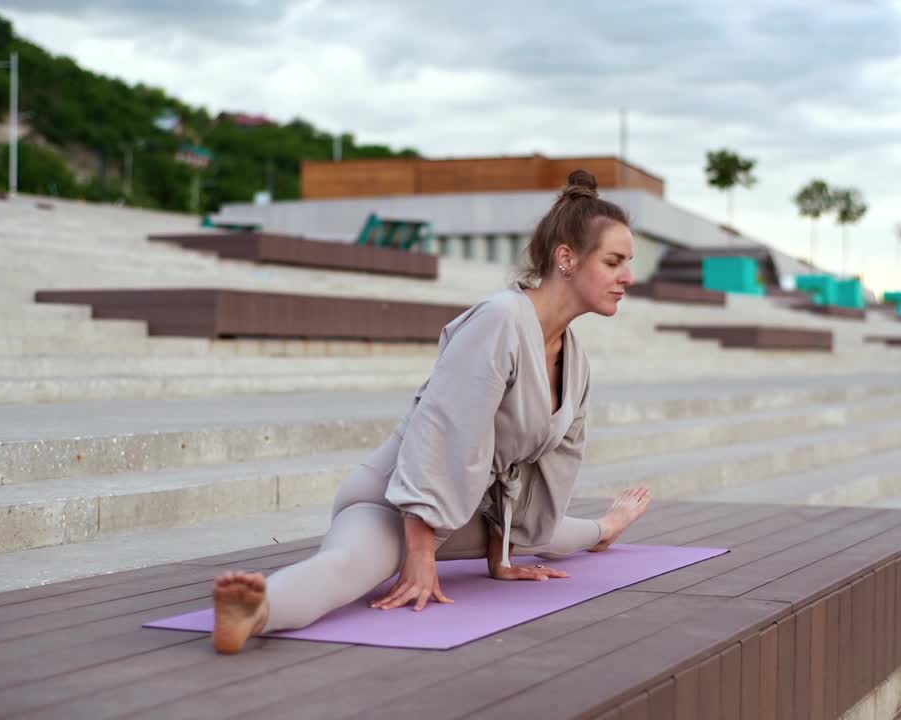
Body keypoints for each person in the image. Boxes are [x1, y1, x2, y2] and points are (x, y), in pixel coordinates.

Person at [211, 169, 652, 654]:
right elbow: (440, 431)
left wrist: (501, 556)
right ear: (566, 258)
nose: (628, 278)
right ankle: (256, 608)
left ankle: (607, 527)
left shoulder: (576, 362)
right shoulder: (500, 320)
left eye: (628, 263)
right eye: (614, 262)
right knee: (354, 565)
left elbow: (543, 477)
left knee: (552, 533)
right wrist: (420, 554)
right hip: (396, 500)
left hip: (467, 508)